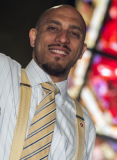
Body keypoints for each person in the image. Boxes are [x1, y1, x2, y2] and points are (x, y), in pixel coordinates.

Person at [0, 5, 96, 160]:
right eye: (53, 28)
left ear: (82, 52)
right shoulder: (2, 70)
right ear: (33, 37)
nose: (63, 38)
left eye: (73, 33)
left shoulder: (84, 124)